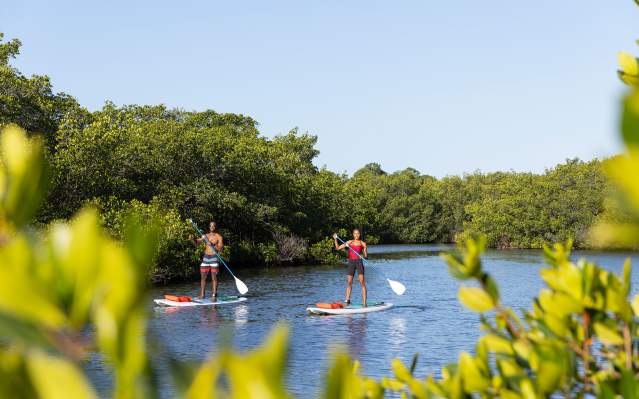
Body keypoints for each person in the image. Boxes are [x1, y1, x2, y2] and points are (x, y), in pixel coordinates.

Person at [333, 229, 367, 307]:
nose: (356, 235)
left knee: (362, 283)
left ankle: (364, 303)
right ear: (353, 234)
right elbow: (337, 248)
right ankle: (347, 300)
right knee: (349, 282)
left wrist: (362, 256)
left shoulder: (363, 243)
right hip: (351, 263)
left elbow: (365, 256)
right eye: (355, 233)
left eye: (358, 233)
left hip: (359, 263)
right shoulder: (349, 242)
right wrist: (335, 239)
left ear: (359, 234)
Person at [191, 221, 224, 299]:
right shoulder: (205, 236)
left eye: (213, 226)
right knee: (203, 278)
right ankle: (202, 295)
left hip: (214, 257)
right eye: (210, 226)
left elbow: (221, 249)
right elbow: (197, 243)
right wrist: (192, 239)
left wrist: (212, 245)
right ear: (209, 227)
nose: (212, 227)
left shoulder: (219, 237)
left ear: (215, 227)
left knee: (214, 278)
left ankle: (214, 295)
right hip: (206, 257)